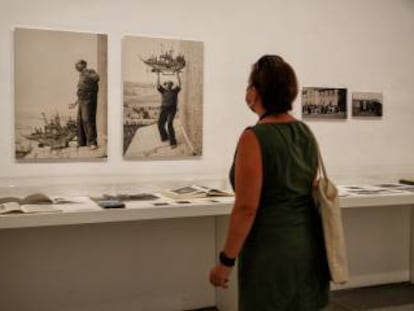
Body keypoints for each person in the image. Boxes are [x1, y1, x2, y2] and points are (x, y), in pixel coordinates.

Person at [209, 55, 330, 310]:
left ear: (255, 93)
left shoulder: (254, 137)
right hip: (308, 244)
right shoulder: (305, 132)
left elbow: (246, 207)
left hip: (271, 249)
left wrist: (226, 260)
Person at [69, 59, 100, 150]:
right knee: (80, 121)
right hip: (82, 101)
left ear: (83, 64)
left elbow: (97, 78)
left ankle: (92, 142)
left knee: (87, 120)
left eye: (77, 64)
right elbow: (81, 91)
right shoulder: (81, 75)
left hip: (89, 100)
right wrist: (74, 104)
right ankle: (82, 142)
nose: (76, 66)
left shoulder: (89, 71)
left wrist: (87, 73)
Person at [156, 70, 181, 148]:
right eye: (167, 84)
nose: (168, 85)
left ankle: (173, 142)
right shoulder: (163, 91)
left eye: (170, 84)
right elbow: (157, 85)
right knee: (160, 124)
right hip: (163, 109)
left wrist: (177, 75)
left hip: (171, 109)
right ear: (165, 85)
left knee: (169, 124)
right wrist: (158, 75)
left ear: (171, 85)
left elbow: (180, 84)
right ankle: (165, 137)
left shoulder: (175, 91)